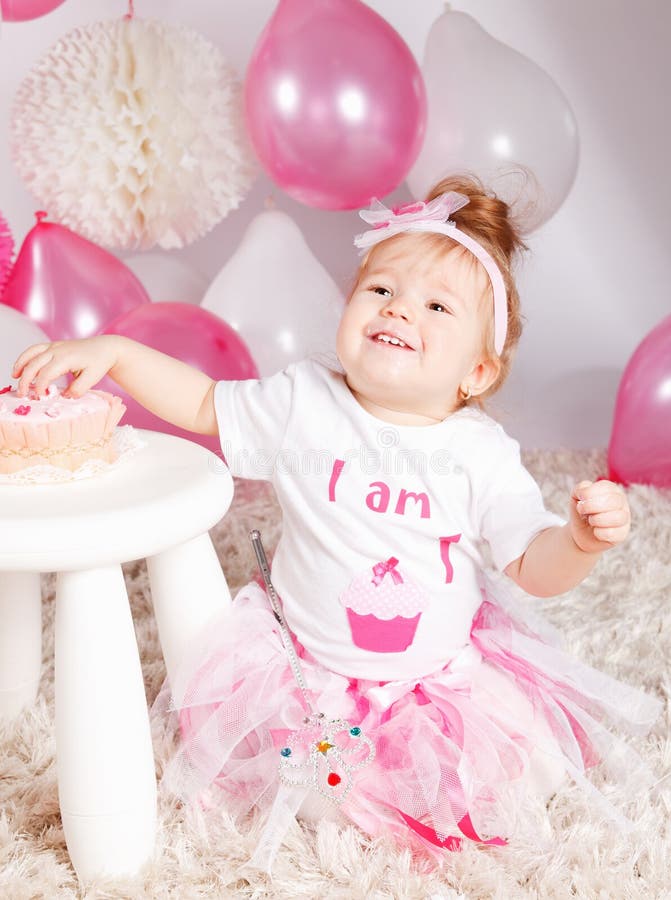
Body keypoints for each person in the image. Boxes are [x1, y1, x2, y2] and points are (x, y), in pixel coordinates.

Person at [12, 176, 661, 872]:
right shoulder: (303, 403)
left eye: (436, 305)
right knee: (282, 776)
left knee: (512, 772)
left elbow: (533, 565)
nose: (400, 310)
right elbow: (204, 403)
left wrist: (578, 542)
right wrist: (117, 354)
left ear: (476, 371)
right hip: (306, 668)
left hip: (429, 678)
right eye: (380, 290)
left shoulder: (479, 455)